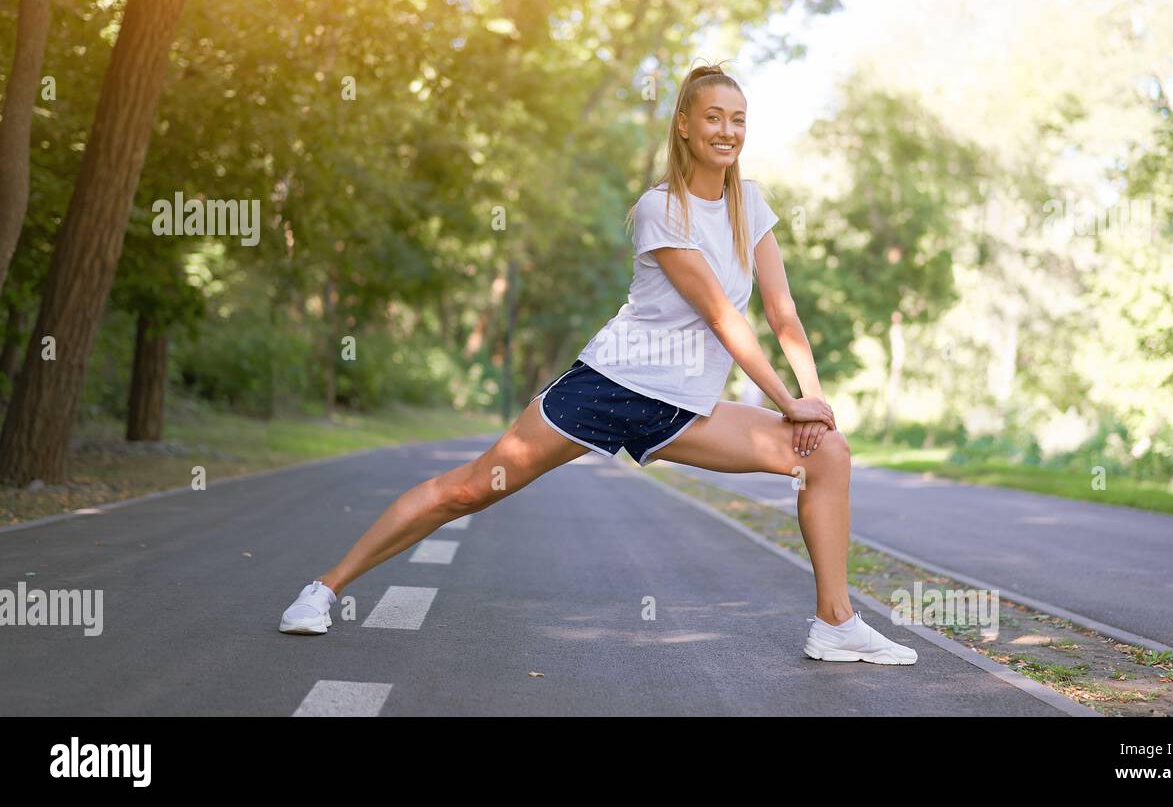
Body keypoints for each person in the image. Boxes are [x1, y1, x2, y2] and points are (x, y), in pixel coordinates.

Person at [279, 62, 917, 666]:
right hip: (612, 385)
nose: (728, 131)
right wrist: (786, 403)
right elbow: (723, 315)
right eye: (715, 117)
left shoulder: (751, 206)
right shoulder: (658, 209)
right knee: (471, 489)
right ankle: (324, 589)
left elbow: (783, 314)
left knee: (827, 453)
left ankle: (835, 626)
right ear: (686, 126)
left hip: (682, 409)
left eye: (739, 120)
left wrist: (812, 404)